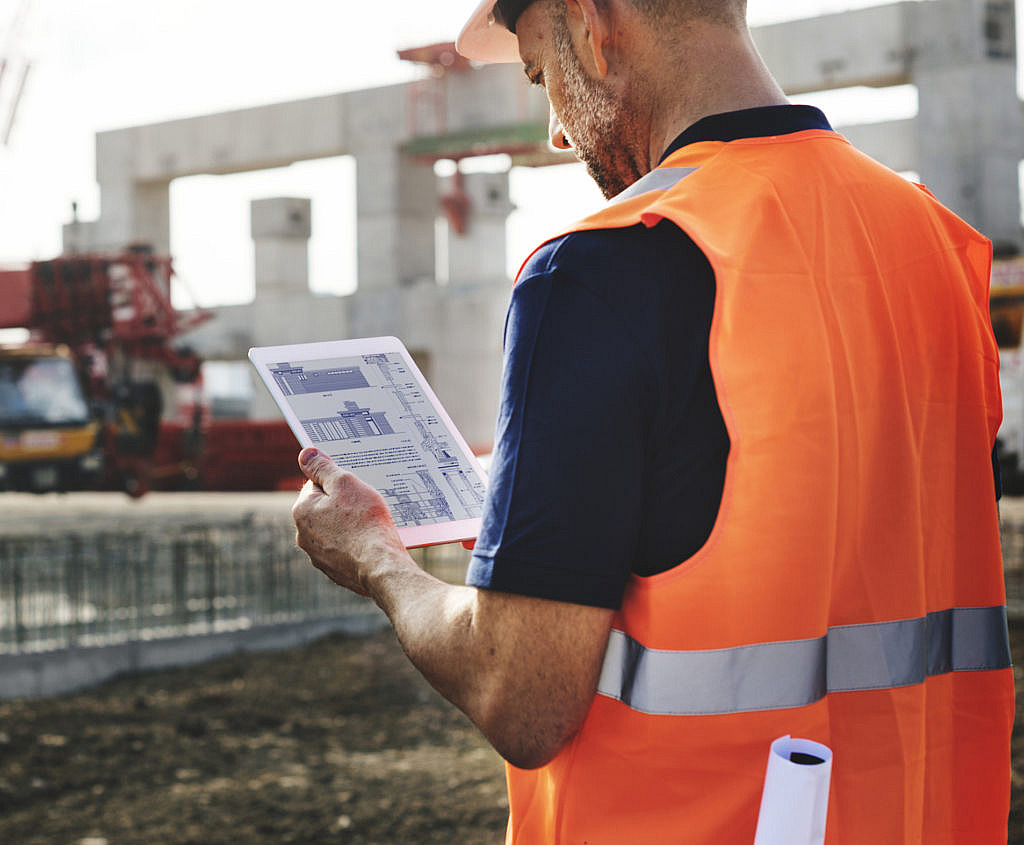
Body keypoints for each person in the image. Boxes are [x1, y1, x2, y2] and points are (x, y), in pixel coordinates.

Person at [292, 0, 1015, 841]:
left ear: (592, 27)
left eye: (541, 74)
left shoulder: (600, 272)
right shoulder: (929, 240)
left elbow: (521, 695)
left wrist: (378, 556)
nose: (557, 133)